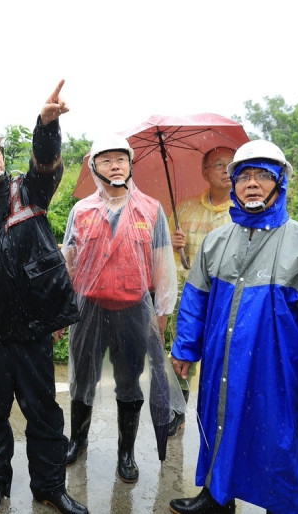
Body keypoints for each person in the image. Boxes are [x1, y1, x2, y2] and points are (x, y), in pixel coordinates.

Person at [0, 80, 87, 514]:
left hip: (31, 331)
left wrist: (45, 125)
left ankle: (48, 486)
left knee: (44, 414)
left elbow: (46, 165)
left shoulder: (28, 190)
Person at [169, 140, 298, 514]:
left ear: (280, 183)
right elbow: (196, 298)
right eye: (244, 176)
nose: (252, 184)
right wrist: (185, 348)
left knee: (278, 438)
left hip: (281, 369)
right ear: (232, 184)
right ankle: (216, 499)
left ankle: (281, 507)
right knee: (219, 422)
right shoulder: (218, 242)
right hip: (221, 361)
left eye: (263, 176)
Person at [60, 134, 184, 483]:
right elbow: (69, 262)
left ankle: (125, 452)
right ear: (94, 168)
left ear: (130, 165)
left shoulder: (150, 209)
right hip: (89, 308)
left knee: (129, 384)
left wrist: (160, 315)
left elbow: (161, 265)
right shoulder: (81, 210)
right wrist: (63, 311)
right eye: (106, 160)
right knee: (82, 379)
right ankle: (77, 440)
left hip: (133, 310)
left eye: (121, 159)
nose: (115, 165)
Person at [166, 147, 234, 437]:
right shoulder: (185, 209)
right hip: (189, 296)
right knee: (181, 355)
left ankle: (223, 417)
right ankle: (177, 411)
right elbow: (167, 255)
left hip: (227, 297)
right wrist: (173, 243)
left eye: (231, 165)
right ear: (205, 172)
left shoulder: (242, 212)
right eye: (218, 164)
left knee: (226, 358)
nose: (225, 170)